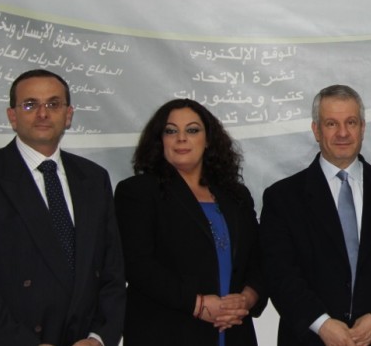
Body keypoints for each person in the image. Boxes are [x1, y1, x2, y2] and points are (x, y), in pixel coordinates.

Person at [0, 69, 125, 346]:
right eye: (30, 104)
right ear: (12, 116)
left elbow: (112, 271)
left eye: (53, 104)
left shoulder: (93, 178)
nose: (42, 113)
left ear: (68, 115)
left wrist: (99, 338)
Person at [260, 84, 371, 346]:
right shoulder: (282, 198)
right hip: (310, 340)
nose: (343, 133)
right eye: (331, 124)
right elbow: (280, 273)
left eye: (351, 122)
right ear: (316, 130)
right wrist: (322, 324)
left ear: (363, 128)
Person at [114, 99, 266, 346]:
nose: (181, 138)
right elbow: (137, 265)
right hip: (166, 331)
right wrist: (198, 304)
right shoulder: (138, 192)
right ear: (160, 140)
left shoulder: (236, 195)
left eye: (192, 130)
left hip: (234, 330)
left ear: (208, 140)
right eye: (171, 131)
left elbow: (259, 258)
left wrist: (247, 299)